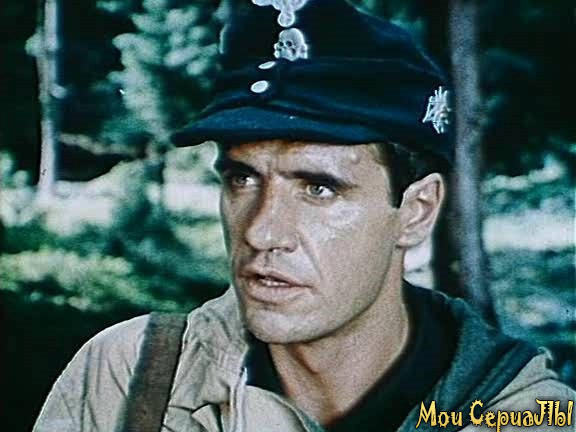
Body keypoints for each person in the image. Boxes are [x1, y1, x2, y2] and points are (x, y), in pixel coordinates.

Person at [33, 1, 574, 431]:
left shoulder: (526, 415)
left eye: (319, 187)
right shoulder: (130, 378)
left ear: (416, 211)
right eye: (242, 179)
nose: (261, 231)